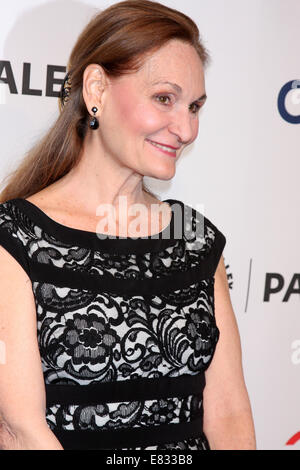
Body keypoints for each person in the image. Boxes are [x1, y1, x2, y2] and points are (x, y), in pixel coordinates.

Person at [0, 0, 256, 450]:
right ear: (96, 89)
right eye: (164, 99)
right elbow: (22, 430)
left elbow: (230, 414)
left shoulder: (194, 239)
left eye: (194, 106)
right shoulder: (14, 239)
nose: (187, 128)